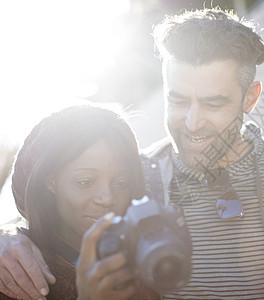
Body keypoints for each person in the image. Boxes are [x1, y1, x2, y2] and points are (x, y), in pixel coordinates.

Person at [0, 8, 264, 300]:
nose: (191, 122)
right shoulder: (137, 177)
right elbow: (59, 215)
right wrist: (9, 237)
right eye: (178, 100)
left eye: (213, 103)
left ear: (251, 97)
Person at [0, 105, 155, 300]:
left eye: (121, 183)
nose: (107, 198)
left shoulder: (149, 261)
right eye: (85, 182)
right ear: (51, 182)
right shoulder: (14, 273)